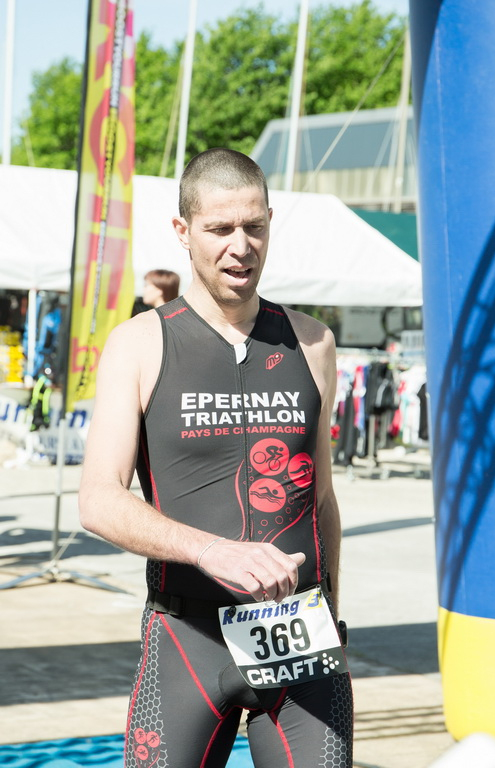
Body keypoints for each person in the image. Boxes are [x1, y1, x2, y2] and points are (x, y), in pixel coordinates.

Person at [79, 148, 353, 768]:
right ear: (183, 231)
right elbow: (98, 499)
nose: (241, 246)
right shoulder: (141, 343)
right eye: (220, 229)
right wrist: (211, 550)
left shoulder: (312, 341)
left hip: (302, 635)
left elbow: (324, 498)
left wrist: (335, 614)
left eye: (254, 227)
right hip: (188, 635)